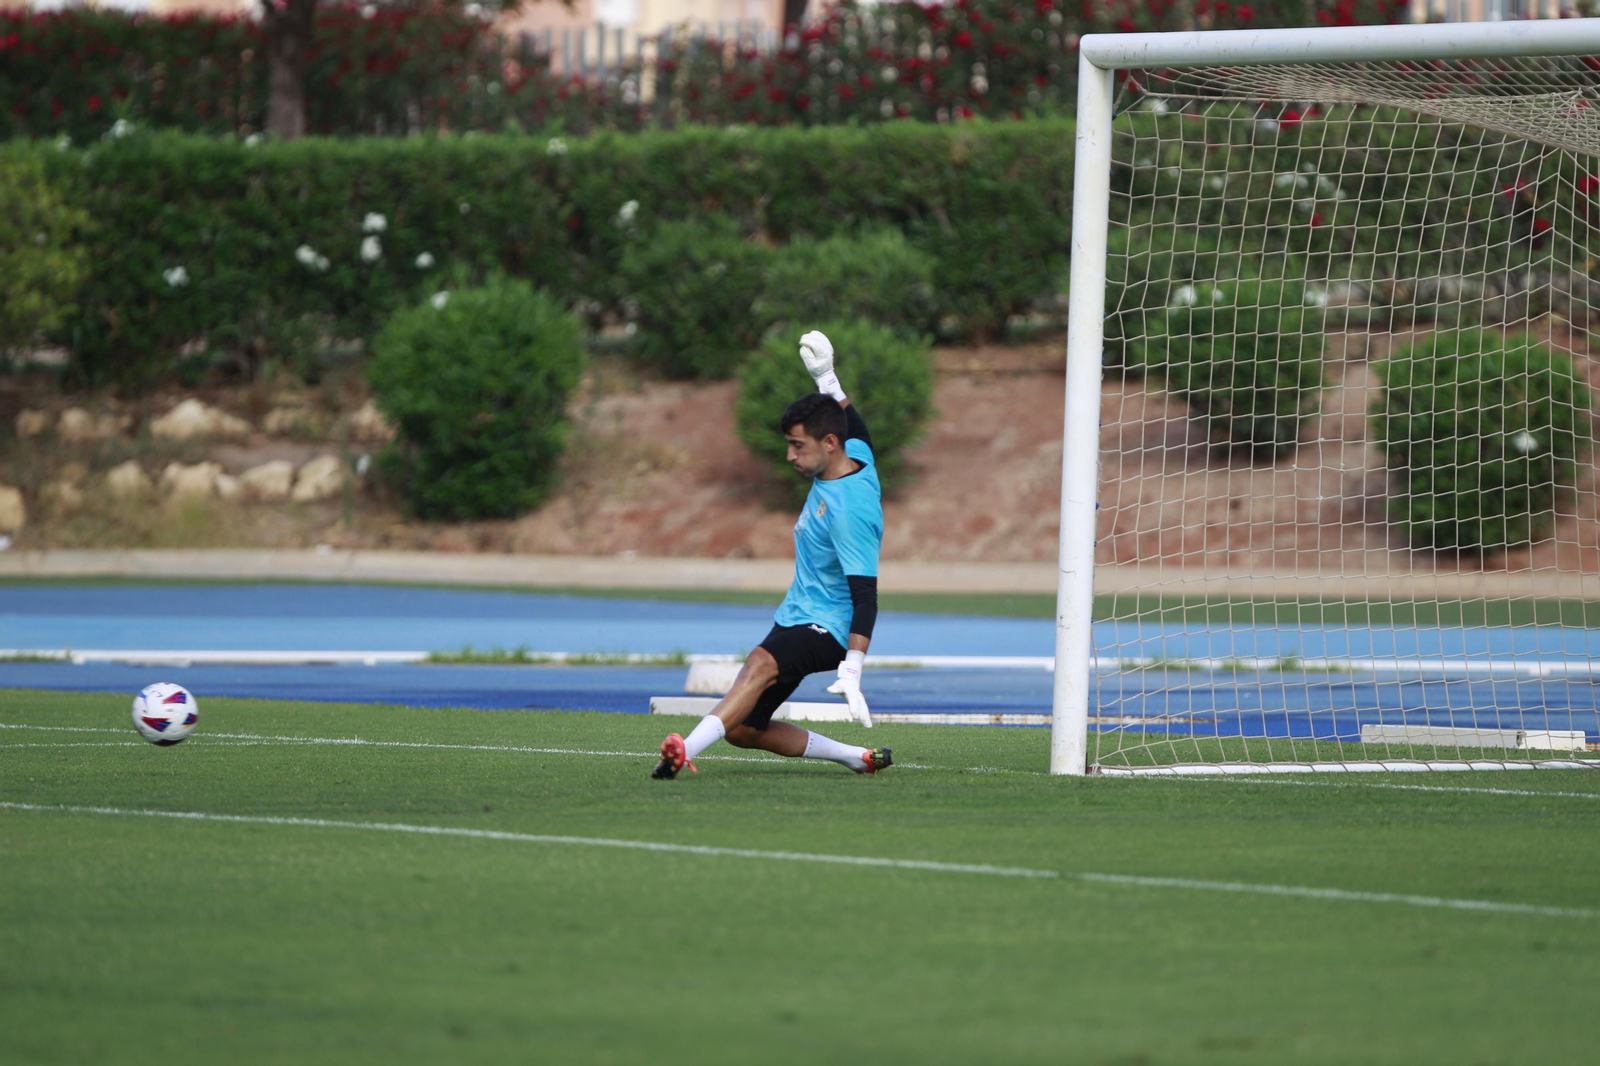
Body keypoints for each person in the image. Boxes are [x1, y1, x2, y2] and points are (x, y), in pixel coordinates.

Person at [653, 329, 892, 779]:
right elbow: (852, 423)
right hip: (797, 613)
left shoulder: (849, 511)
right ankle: (852, 757)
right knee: (744, 728)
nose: (789, 455)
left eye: (797, 445)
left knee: (761, 664)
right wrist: (826, 376)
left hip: (830, 627)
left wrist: (853, 668)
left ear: (827, 445)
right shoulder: (856, 454)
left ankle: (683, 750)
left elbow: (866, 597)